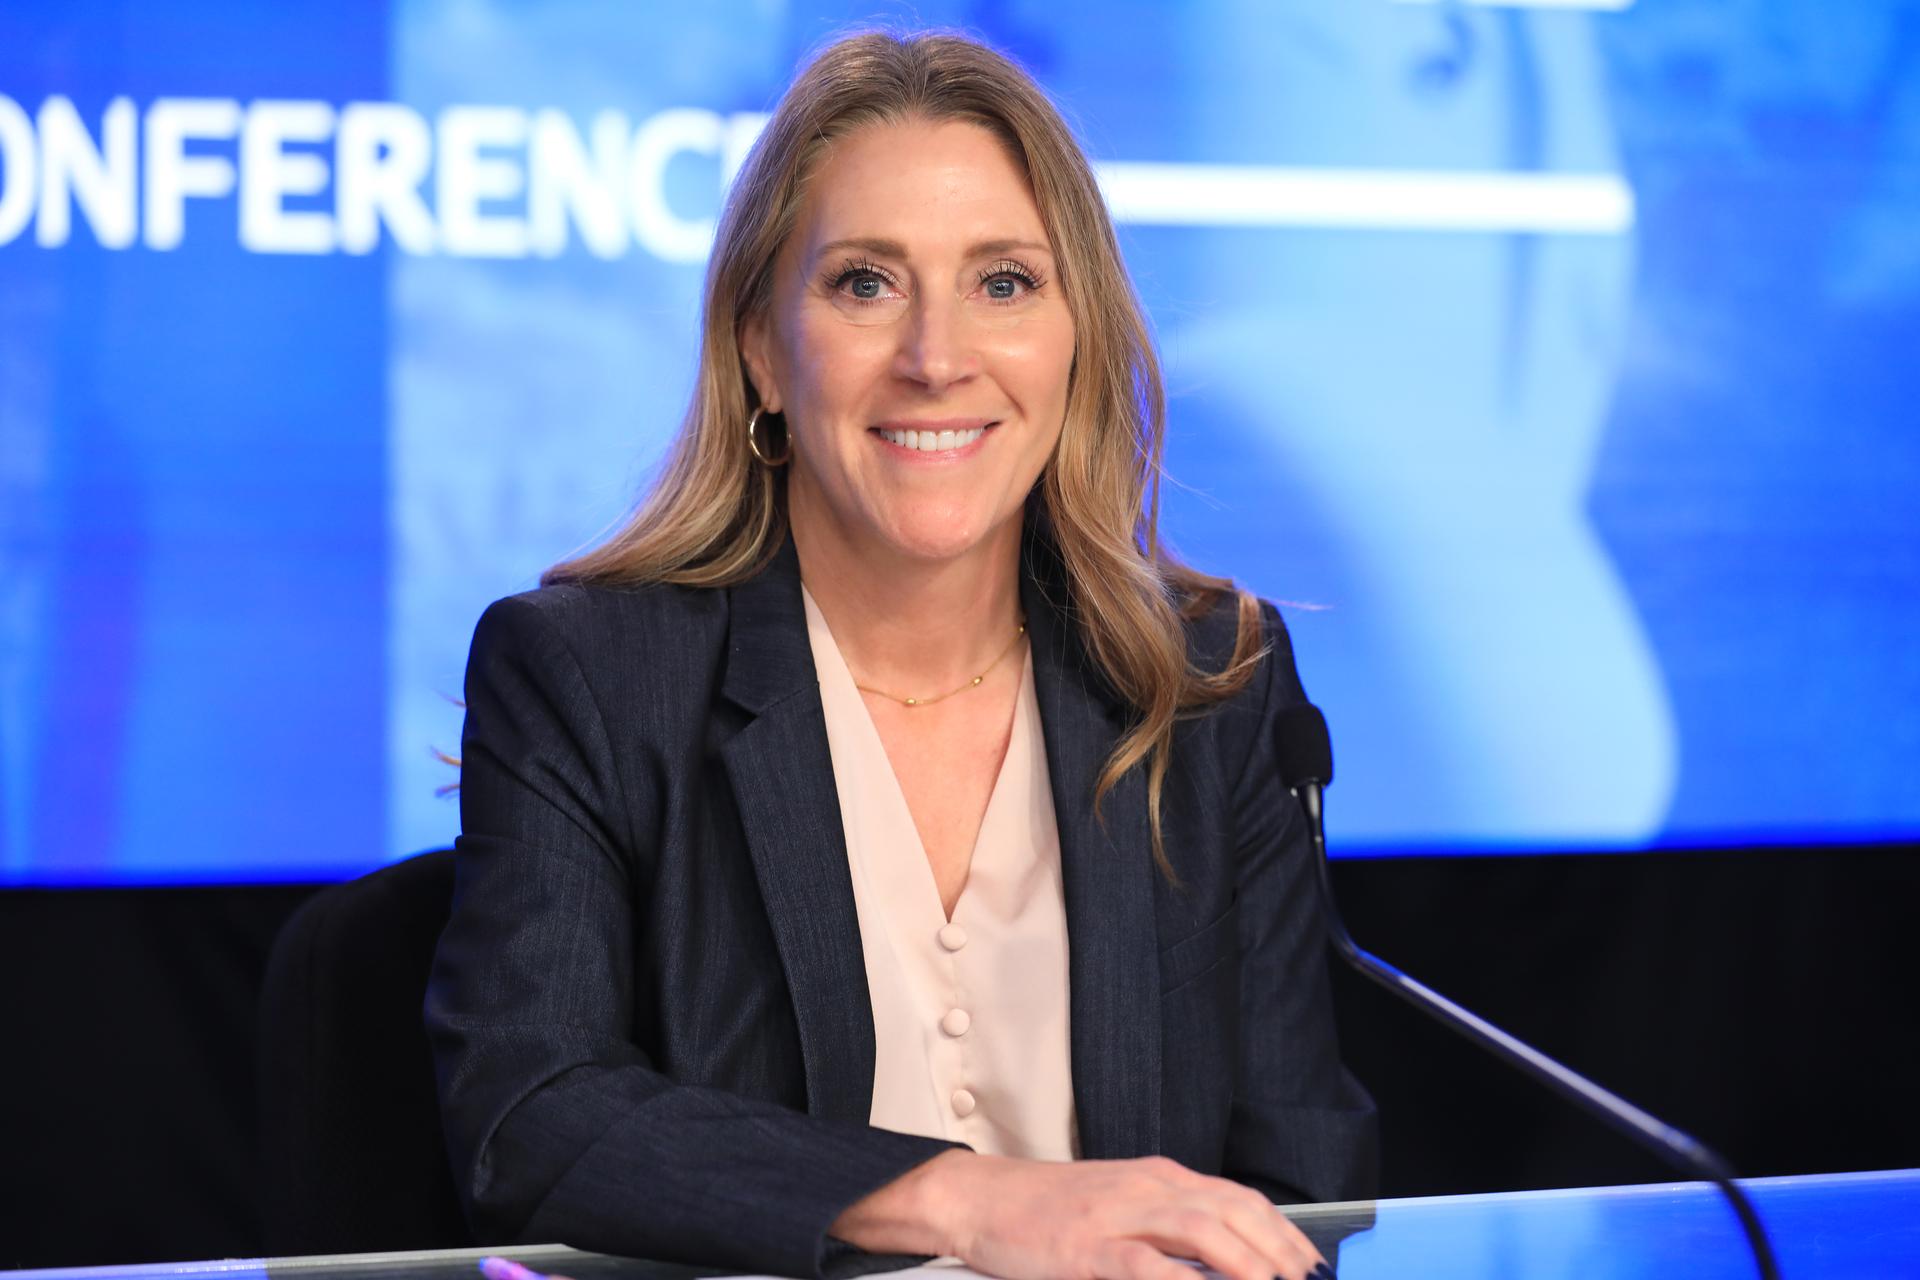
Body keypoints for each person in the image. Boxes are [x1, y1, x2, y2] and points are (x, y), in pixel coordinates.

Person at [425, 27, 1377, 1280]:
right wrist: (966, 1199)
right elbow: (531, 1111)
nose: (937, 358)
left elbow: (1301, 1178)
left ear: (1077, 340)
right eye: (866, 283)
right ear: (762, 346)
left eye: (1005, 283)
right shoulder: (587, 676)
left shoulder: (1208, 683)